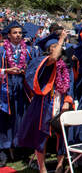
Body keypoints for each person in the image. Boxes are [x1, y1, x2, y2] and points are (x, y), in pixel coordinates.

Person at [16, 30, 74, 173]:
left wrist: (67, 101)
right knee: (41, 135)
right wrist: (60, 40)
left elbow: (70, 85)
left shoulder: (65, 64)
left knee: (62, 133)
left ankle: (60, 165)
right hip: (44, 103)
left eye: (58, 45)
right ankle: (42, 168)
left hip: (60, 102)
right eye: (53, 46)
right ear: (48, 49)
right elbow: (53, 59)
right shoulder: (41, 61)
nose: (57, 48)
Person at [0, 21, 38, 164]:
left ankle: (21, 148)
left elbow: (35, 69)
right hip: (5, 88)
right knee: (5, 118)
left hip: (23, 89)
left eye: (20, 33)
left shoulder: (29, 50)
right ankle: (4, 150)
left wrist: (27, 70)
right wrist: (6, 71)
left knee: (21, 117)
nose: (18, 35)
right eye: (14, 33)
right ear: (8, 35)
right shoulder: (1, 51)